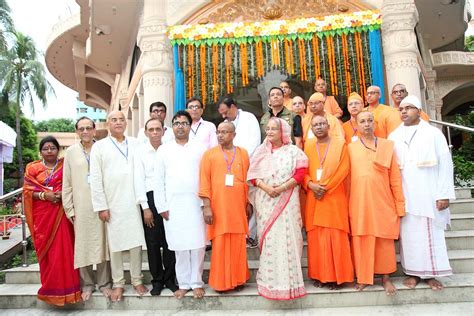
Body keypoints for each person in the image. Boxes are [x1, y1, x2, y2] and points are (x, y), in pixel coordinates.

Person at [389, 95, 455, 290]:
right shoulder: (394, 136)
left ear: (418, 110)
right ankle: (413, 273)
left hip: (429, 193)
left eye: (409, 108)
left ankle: (432, 274)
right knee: (409, 236)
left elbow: (445, 165)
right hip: (406, 195)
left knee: (430, 234)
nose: (404, 111)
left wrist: (443, 194)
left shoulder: (433, 134)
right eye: (401, 109)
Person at [247, 117, 308, 300]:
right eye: (268, 129)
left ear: (283, 132)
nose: (270, 132)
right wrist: (267, 189)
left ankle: (290, 284)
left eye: (274, 129)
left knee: (289, 238)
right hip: (266, 202)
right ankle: (270, 283)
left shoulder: (293, 152)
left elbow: (300, 174)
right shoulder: (261, 152)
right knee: (270, 241)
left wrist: (280, 189)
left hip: (287, 201)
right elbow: (251, 176)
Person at [90, 110, 148, 302]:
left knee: (135, 242)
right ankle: (118, 283)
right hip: (112, 202)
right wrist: (101, 206)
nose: (118, 123)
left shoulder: (136, 143)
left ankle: (137, 279)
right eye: (114, 120)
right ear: (108, 124)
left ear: (125, 123)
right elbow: (96, 179)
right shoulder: (100, 147)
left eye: (121, 119)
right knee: (115, 245)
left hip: (133, 200)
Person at [348, 111, 405, 295]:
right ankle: (364, 277)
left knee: (384, 241)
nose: (366, 124)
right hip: (359, 202)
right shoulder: (350, 148)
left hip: (383, 201)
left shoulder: (387, 146)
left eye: (369, 121)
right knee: (362, 239)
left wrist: (400, 205)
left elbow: (395, 178)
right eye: (362, 121)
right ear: (356, 125)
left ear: (375, 123)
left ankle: (386, 278)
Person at [155, 111, 207, 299]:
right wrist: (161, 206)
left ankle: (197, 282)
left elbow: (205, 177)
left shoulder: (200, 148)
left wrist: (205, 203)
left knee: (198, 245)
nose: (180, 126)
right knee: (180, 246)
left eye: (184, 123)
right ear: (172, 126)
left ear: (190, 126)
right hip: (173, 205)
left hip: (196, 204)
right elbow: (158, 180)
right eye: (176, 123)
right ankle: (184, 283)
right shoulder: (164, 150)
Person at [23, 136, 81, 306]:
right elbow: (27, 192)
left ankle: (72, 289)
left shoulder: (65, 165)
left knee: (66, 250)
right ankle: (50, 289)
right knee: (49, 254)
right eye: (45, 148)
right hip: (43, 218)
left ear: (58, 150)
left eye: (53, 148)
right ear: (40, 151)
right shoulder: (33, 169)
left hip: (63, 214)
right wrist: (44, 195)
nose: (49, 151)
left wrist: (62, 194)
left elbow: (73, 183)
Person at [62, 117, 111, 301]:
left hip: (102, 205)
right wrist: (69, 209)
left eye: (88, 128)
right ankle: (87, 284)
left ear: (94, 129)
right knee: (83, 246)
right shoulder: (71, 153)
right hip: (81, 207)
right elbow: (66, 184)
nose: (85, 132)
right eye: (81, 129)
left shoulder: (103, 148)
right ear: (76, 131)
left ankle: (105, 283)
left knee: (103, 245)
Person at [303, 115, 354, 290]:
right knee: (316, 238)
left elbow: (344, 169)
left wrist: (324, 188)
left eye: (322, 124)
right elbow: (303, 170)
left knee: (336, 238)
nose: (318, 127)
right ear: (311, 128)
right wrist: (310, 184)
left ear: (328, 125)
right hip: (314, 198)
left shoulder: (341, 145)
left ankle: (337, 277)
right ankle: (319, 276)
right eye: (315, 125)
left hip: (333, 197)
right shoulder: (308, 146)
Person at [199, 121, 251, 292]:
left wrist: (248, 203)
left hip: (238, 207)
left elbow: (248, 181)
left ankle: (237, 280)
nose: (220, 135)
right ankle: (221, 283)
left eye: (224, 132)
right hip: (218, 207)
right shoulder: (209, 155)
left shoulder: (243, 154)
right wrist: (207, 206)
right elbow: (204, 182)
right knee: (220, 245)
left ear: (233, 135)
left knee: (237, 243)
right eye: (218, 132)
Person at [134, 118, 178, 296]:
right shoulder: (140, 152)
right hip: (150, 199)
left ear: (163, 131)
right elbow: (138, 180)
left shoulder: (169, 149)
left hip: (168, 197)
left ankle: (169, 278)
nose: (154, 132)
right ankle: (157, 280)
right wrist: (145, 208)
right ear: (145, 132)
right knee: (152, 243)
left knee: (170, 241)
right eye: (151, 129)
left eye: (157, 129)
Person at [217, 95, 261, 248]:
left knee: (250, 200)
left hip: (248, 164)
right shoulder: (226, 124)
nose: (223, 116)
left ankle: (251, 234)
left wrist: (241, 160)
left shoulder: (248, 118)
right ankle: (237, 232)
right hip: (231, 167)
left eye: (225, 112)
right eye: (221, 114)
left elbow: (254, 142)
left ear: (233, 106)